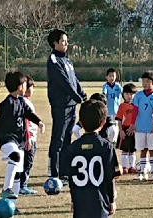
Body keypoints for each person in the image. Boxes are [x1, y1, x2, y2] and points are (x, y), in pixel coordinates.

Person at [0, 71, 45, 214]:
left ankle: (12, 205)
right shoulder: (6, 104)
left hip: (19, 141)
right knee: (15, 156)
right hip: (6, 139)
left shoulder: (22, 102)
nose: (26, 86)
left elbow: (29, 114)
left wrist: (39, 122)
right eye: (25, 84)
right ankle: (6, 189)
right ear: (19, 87)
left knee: (18, 173)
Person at [46, 29, 87, 180]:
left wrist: (82, 93)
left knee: (67, 138)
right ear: (55, 43)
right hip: (60, 105)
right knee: (59, 138)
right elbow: (63, 81)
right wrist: (76, 96)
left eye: (66, 40)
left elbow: (73, 79)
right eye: (63, 41)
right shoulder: (53, 60)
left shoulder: (67, 60)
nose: (66, 43)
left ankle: (64, 172)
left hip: (71, 105)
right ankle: (54, 173)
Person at [68, 100, 119, 218]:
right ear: (103, 122)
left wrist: (73, 199)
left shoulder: (73, 147)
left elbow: (72, 178)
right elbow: (109, 177)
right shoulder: (106, 147)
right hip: (100, 201)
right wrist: (111, 200)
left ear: (81, 122)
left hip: (80, 202)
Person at [128, 71, 153, 181]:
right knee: (142, 150)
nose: (145, 83)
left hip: (152, 128)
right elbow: (135, 111)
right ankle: (142, 173)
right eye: (143, 81)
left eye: (147, 81)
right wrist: (133, 124)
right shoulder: (138, 95)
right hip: (140, 127)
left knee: (152, 149)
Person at [19, 75, 39, 195]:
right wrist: (29, 139)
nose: (33, 90)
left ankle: (21, 184)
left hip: (28, 137)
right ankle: (23, 185)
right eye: (32, 87)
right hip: (29, 138)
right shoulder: (25, 102)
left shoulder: (22, 101)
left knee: (25, 162)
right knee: (27, 162)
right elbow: (26, 121)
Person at [115, 83, 137, 174]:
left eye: (132, 94)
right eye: (127, 94)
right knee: (125, 149)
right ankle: (124, 167)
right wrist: (120, 131)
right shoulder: (122, 106)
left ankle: (132, 166)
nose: (129, 96)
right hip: (125, 129)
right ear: (123, 94)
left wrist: (135, 127)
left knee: (132, 149)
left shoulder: (137, 106)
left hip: (134, 129)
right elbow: (119, 120)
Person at [102, 68, 122, 144]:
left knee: (116, 126)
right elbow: (104, 94)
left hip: (117, 111)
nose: (112, 78)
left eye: (113, 76)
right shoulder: (105, 86)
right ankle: (109, 140)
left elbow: (123, 93)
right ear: (106, 77)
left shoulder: (118, 86)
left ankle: (114, 142)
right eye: (110, 76)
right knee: (109, 127)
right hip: (108, 111)